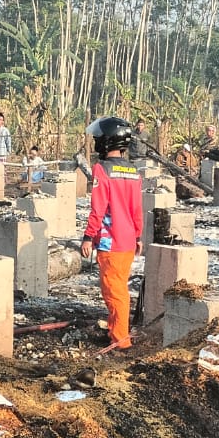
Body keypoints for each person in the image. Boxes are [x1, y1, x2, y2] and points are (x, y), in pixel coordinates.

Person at [80, 117, 143, 353]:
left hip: (110, 240)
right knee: (118, 288)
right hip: (127, 241)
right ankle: (116, 330)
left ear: (108, 140)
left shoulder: (102, 169)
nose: (96, 141)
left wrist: (88, 236)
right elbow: (137, 208)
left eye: (99, 138)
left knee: (114, 291)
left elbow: (98, 208)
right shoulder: (133, 170)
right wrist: (138, 236)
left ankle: (120, 339)